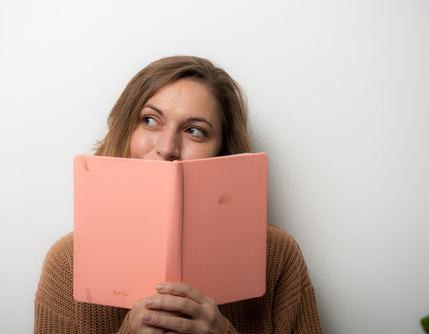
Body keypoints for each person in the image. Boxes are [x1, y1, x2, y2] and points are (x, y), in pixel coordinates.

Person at [34, 56, 322, 333]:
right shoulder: (67, 263)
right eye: (150, 120)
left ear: (222, 153)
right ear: (125, 131)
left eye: (194, 130)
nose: (168, 147)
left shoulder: (278, 255)